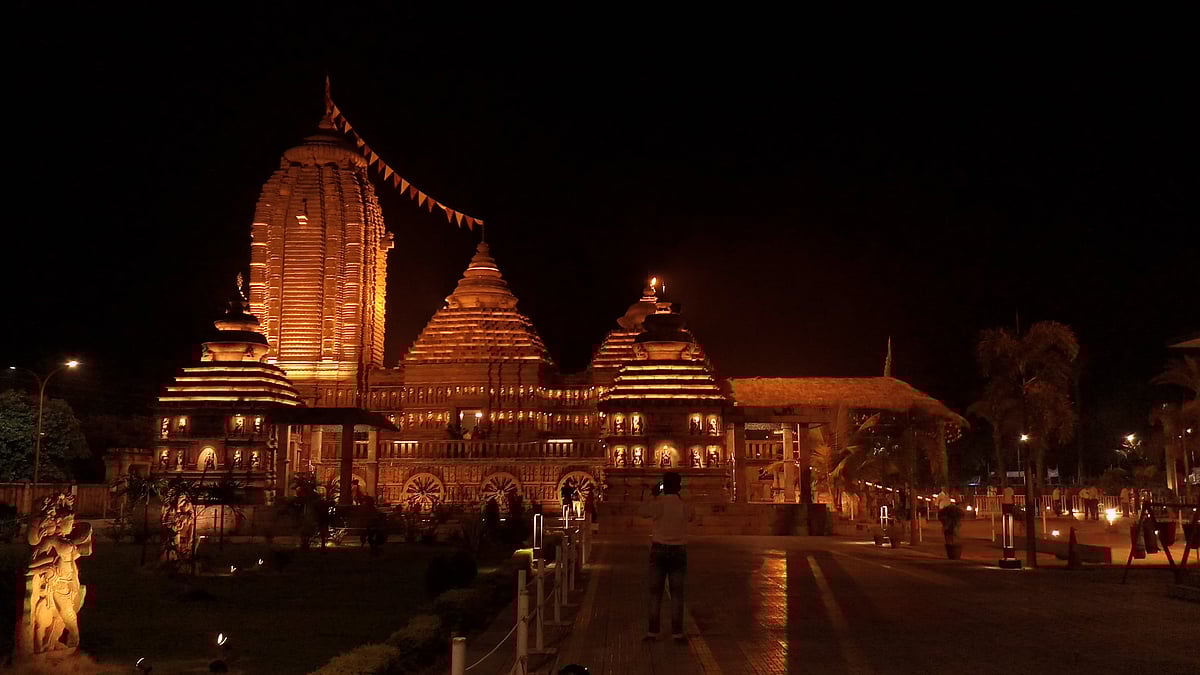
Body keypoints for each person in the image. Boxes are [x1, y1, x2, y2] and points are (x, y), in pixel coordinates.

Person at [638, 472, 692, 643]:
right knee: (677, 593)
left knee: (655, 593)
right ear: (679, 486)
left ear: (664, 486)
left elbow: (642, 511)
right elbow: (692, 516)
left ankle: (653, 632)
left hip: (659, 550)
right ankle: (677, 632)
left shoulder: (658, 503)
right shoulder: (684, 505)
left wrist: (653, 495)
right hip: (679, 551)